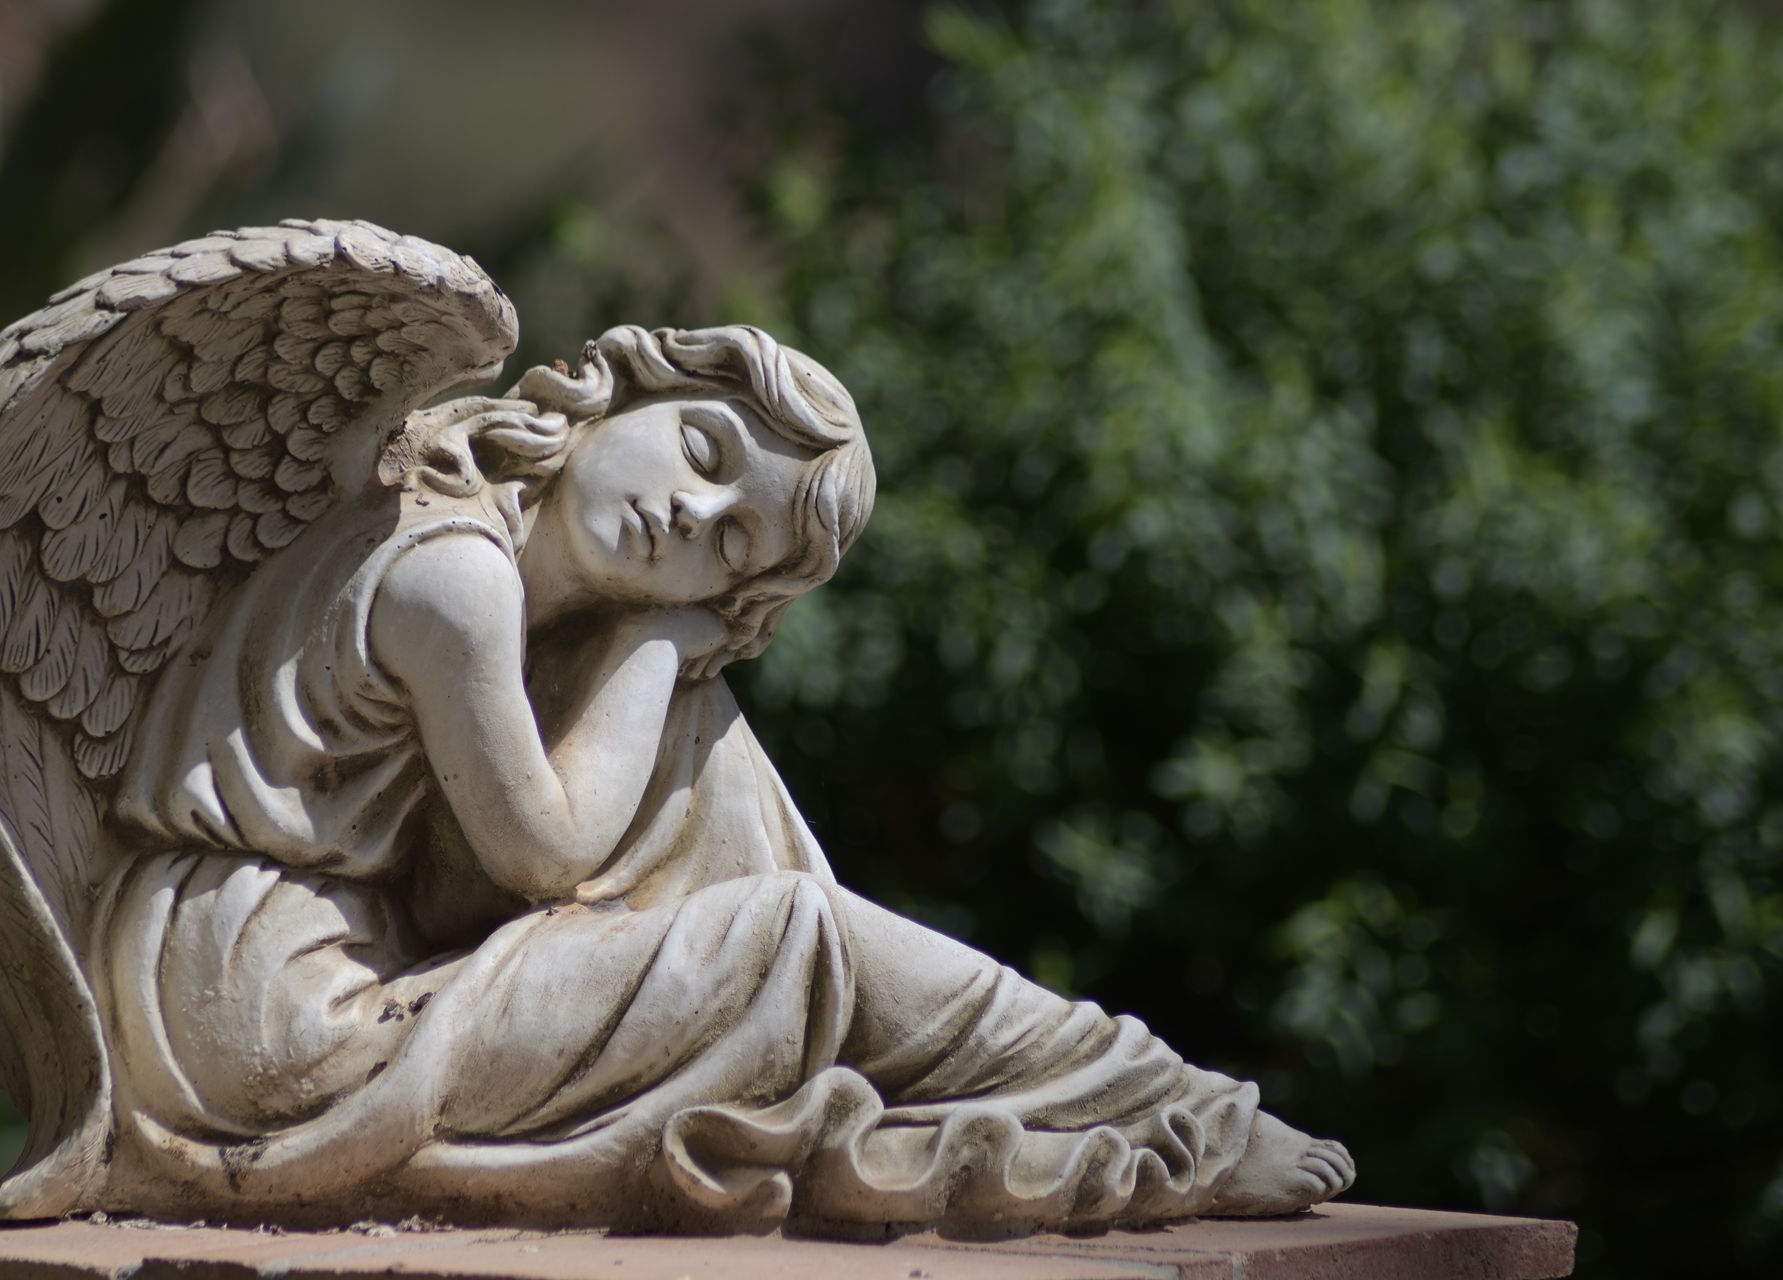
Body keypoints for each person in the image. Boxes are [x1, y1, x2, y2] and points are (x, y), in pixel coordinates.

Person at [90, 324, 1353, 1231]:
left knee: (712, 761)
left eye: (733, 541)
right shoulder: (456, 577)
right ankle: (1168, 1103)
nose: (691, 514)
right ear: (621, 389)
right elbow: (544, 855)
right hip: (268, 1016)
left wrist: (659, 660)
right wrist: (652, 647)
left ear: (732, 599)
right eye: (700, 447)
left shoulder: (510, 593)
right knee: (795, 935)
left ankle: (1102, 1087)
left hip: (268, 976)